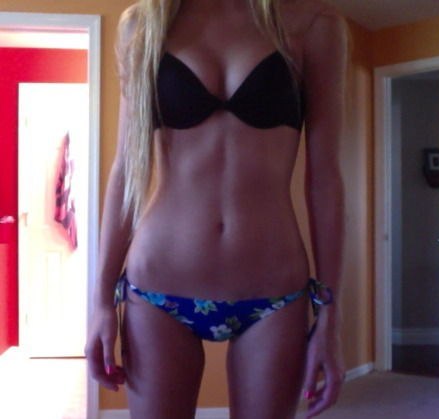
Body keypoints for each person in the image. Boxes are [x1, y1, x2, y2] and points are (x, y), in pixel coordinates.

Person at [85, 0, 349, 418]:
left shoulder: (314, 24)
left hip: (273, 293)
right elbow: (126, 172)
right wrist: (101, 302)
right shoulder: (144, 24)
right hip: (158, 287)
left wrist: (330, 316)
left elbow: (326, 181)